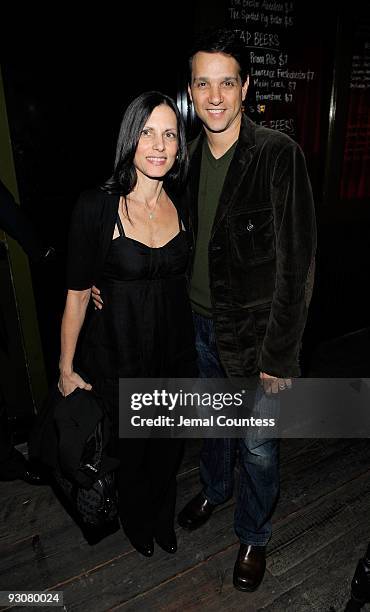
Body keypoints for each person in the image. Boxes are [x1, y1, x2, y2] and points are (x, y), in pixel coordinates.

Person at [92, 29, 317, 591]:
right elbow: (144, 223)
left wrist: (280, 356)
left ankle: (254, 536)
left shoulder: (277, 155)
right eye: (202, 82)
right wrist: (103, 277)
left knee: (259, 446)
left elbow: (298, 264)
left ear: (244, 87)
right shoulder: (183, 156)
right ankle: (216, 491)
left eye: (226, 82)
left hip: (257, 338)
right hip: (194, 327)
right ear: (191, 90)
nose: (214, 95)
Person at [58, 91, 197, 557]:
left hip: (174, 357)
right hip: (120, 358)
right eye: (147, 132)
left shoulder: (184, 203)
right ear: (130, 139)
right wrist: (65, 366)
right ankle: (138, 521)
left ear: (179, 146)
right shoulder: (96, 207)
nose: (158, 145)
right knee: (133, 451)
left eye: (169, 134)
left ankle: (163, 516)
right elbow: (78, 295)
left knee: (169, 446)